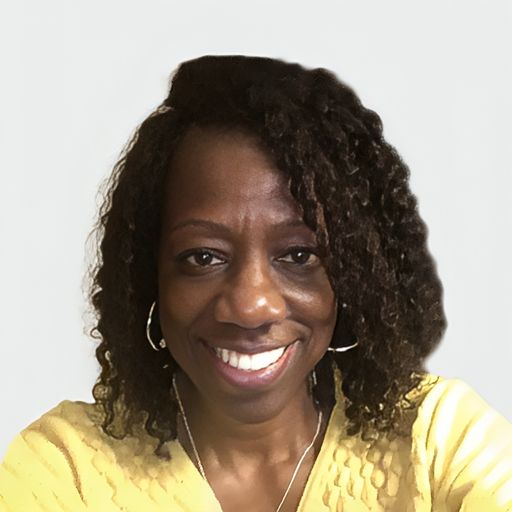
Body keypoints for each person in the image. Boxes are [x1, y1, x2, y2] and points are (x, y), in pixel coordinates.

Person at [1, 55, 511, 512]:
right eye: (203, 257)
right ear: (150, 278)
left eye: (299, 255)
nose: (250, 306)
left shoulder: (436, 441)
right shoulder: (64, 470)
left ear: (352, 276)